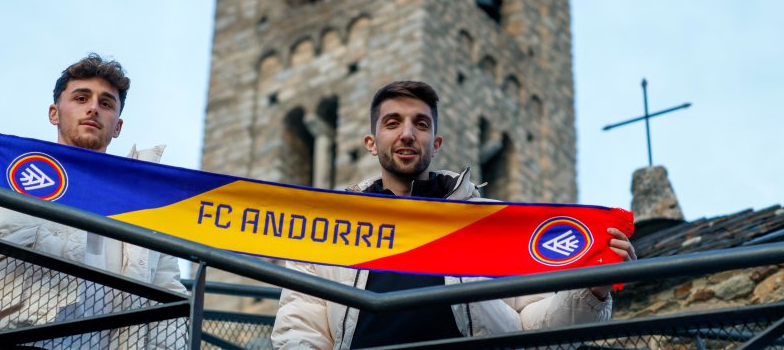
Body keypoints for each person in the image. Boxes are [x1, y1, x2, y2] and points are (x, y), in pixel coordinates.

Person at [271, 80, 635, 349]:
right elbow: (300, 328)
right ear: (372, 143)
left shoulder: (492, 226)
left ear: (436, 143)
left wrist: (592, 289)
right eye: (393, 123)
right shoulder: (329, 230)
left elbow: (537, 328)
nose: (407, 134)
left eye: (421, 124)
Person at [0, 54, 187, 347]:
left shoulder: (146, 205)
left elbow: (169, 306)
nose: (93, 108)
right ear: (54, 113)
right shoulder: (8, 178)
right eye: (81, 98)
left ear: (117, 126)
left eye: (106, 103)